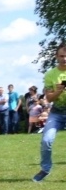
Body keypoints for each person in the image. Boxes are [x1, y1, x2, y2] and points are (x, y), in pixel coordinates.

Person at [33, 43, 66, 182]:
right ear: (56, 57)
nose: (64, 58)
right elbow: (48, 98)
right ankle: (45, 169)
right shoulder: (50, 75)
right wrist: (58, 91)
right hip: (57, 112)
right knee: (46, 140)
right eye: (62, 56)